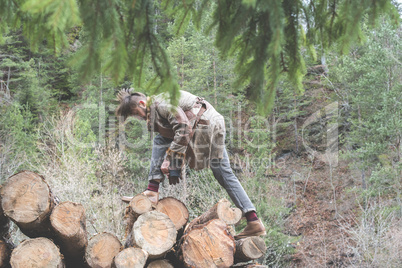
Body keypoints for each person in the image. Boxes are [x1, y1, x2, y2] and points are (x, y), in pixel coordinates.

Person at [116, 89, 266, 239]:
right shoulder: (157, 107)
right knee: (224, 174)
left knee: (160, 141)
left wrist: (171, 159)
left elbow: (183, 127)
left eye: (136, 114)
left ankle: (152, 191)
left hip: (204, 125)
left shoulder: (160, 104)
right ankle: (253, 221)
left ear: (142, 103)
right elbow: (175, 130)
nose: (138, 118)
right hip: (212, 122)